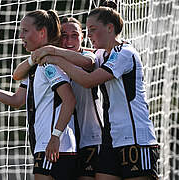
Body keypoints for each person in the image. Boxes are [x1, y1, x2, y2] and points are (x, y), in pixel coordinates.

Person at [33, 1, 159, 180]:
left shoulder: (124, 53)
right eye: (88, 30)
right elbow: (82, 57)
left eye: (92, 29)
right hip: (112, 137)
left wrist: (53, 55)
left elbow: (88, 80)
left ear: (109, 28)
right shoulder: (100, 54)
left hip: (135, 137)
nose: (89, 34)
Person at [0, 10, 78, 180]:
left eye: (25, 31)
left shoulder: (49, 65)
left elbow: (69, 100)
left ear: (42, 33)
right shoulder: (36, 67)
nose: (20, 36)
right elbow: (17, 100)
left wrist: (55, 136)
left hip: (55, 146)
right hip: (46, 145)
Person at [13, 16, 104, 180]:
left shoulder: (89, 56)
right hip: (68, 137)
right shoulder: (47, 62)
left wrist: (53, 54)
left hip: (90, 137)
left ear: (82, 37)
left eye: (74, 35)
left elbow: (87, 64)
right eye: (64, 35)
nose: (69, 40)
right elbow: (17, 75)